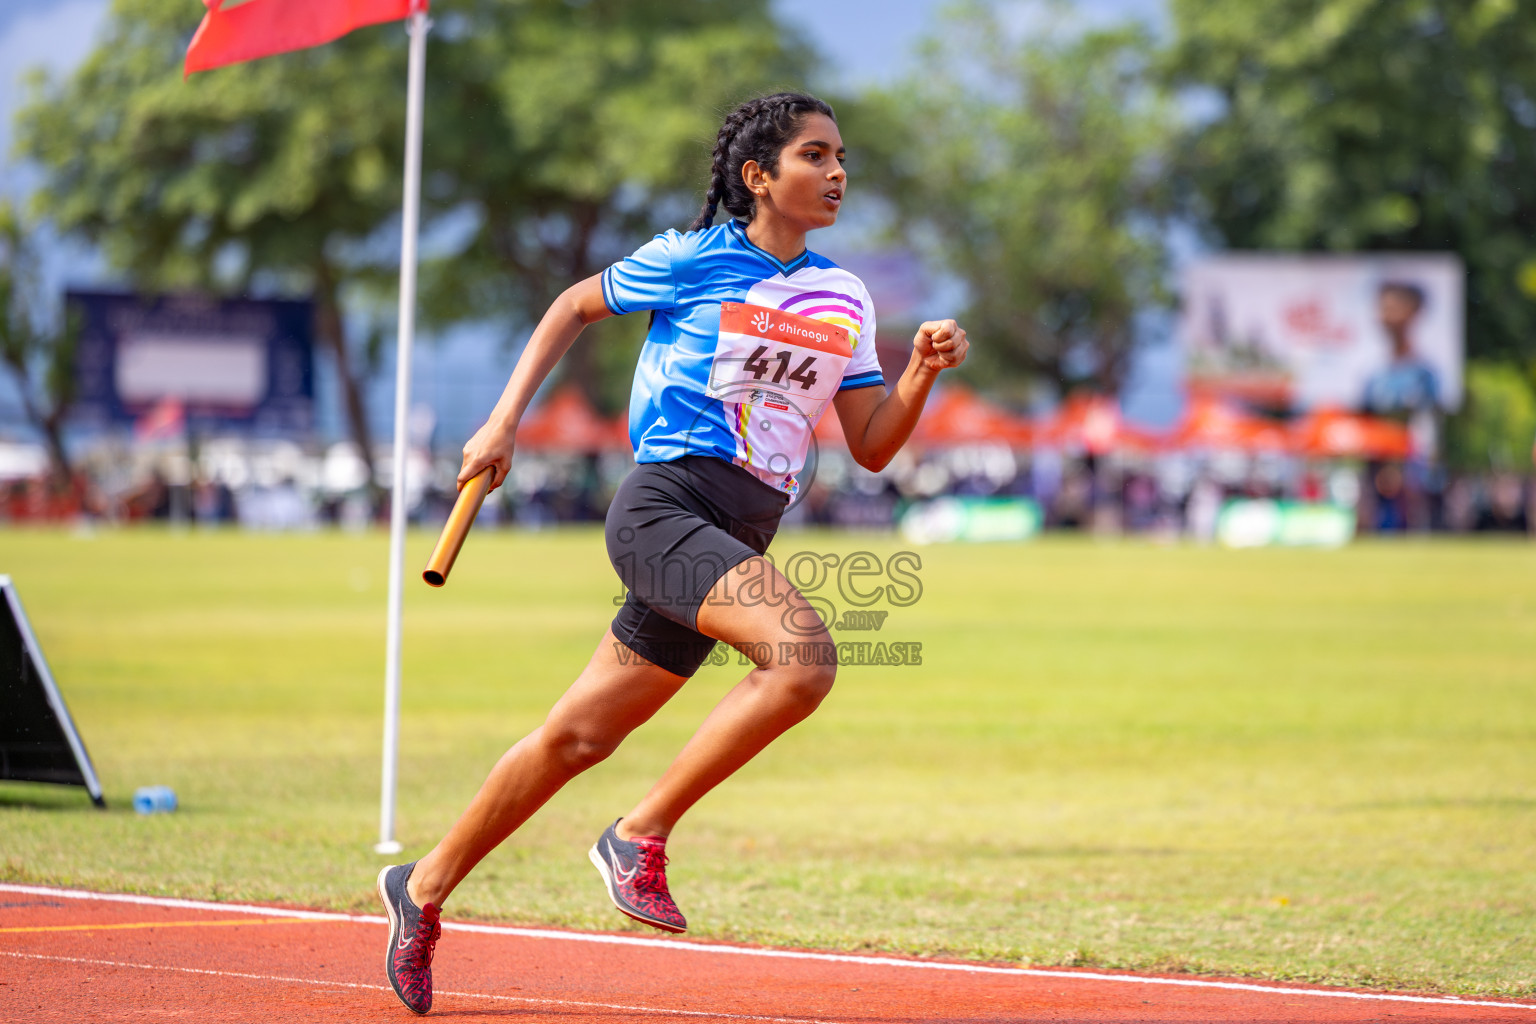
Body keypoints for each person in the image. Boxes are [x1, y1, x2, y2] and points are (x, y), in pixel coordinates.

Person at [375, 92, 969, 1015]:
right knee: (802, 660)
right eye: (816, 155)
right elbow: (571, 307)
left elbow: (874, 443)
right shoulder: (691, 259)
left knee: (576, 736)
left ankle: (420, 887)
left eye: (842, 156)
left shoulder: (843, 297)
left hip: (739, 533)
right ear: (758, 175)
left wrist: (921, 373)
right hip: (666, 508)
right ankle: (639, 834)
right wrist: (500, 423)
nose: (839, 172)